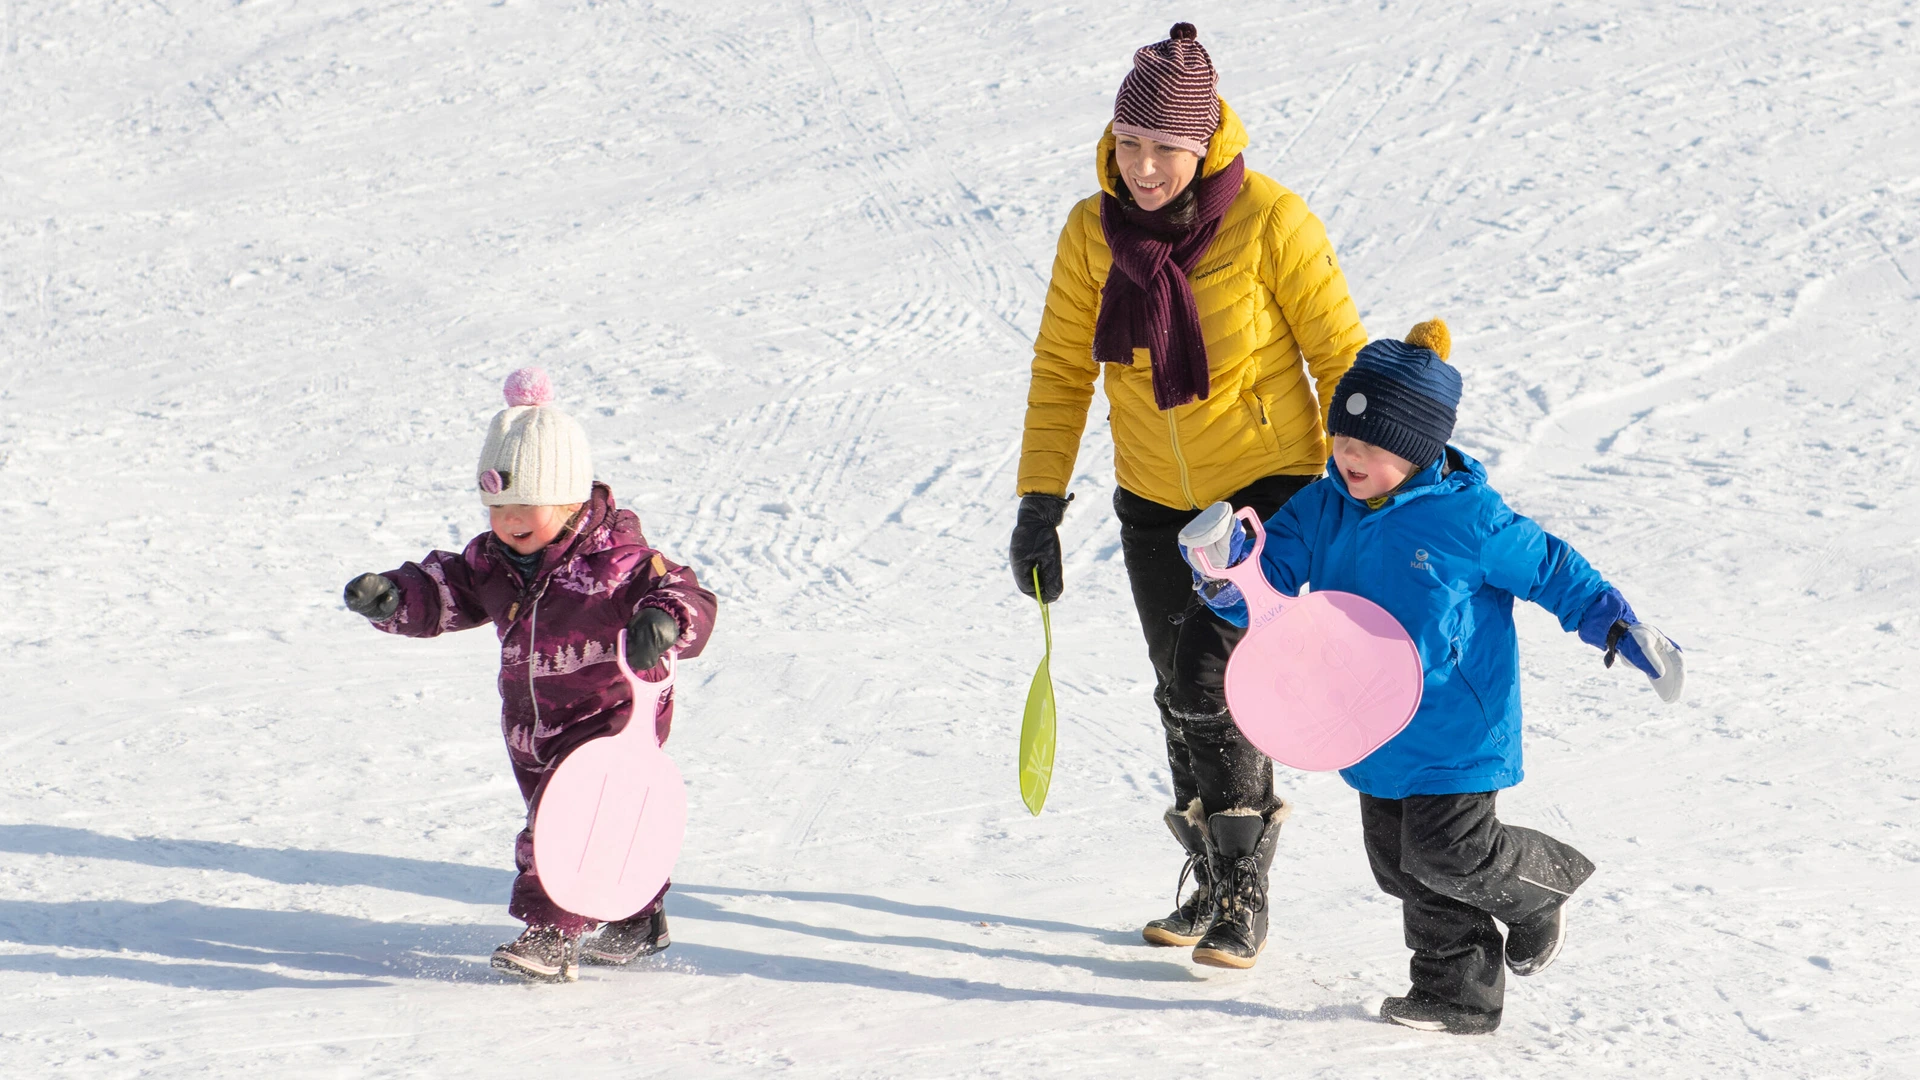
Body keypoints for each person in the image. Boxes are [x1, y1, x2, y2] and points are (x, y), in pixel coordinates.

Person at [1187, 319, 1684, 1033]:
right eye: (1342, 438)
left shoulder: (1468, 519)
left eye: (1371, 447)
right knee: (1400, 866)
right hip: (1367, 722)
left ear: (1417, 449)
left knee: (1451, 852)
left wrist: (1616, 624)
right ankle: (1457, 996)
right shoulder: (1321, 506)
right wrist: (1226, 575)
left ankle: (1543, 888)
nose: (1349, 456)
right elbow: (1268, 580)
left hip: (1456, 725)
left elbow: (1551, 569)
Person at [1008, 22, 1368, 968]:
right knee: (1177, 682)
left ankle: (1244, 890)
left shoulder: (1272, 222)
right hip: (1154, 497)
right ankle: (1211, 878)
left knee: (1215, 673)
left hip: (1263, 489)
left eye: (1165, 147)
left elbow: (1340, 358)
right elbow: (1061, 370)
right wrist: (1040, 501)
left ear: (1205, 144)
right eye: (1129, 143)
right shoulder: (1091, 234)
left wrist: (1366, 492)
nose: (1144, 167)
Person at [341, 367, 717, 983]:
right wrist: (395, 598)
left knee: (562, 827)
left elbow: (685, 592)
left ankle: (549, 934)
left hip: (609, 715)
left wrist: (665, 619)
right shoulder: (492, 562)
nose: (509, 521)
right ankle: (637, 917)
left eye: (526, 506)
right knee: (603, 827)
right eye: (497, 508)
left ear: (570, 500)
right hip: (530, 728)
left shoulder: (618, 563)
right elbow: (446, 592)